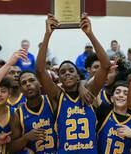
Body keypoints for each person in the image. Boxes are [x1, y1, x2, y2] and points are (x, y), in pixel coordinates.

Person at [36, 14, 111, 153]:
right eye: (63, 72)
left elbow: (106, 65)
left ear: (78, 76)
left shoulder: (90, 91)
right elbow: (40, 70)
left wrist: (90, 34)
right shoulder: (57, 96)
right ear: (59, 78)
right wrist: (47, 34)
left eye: (71, 70)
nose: (67, 73)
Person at [9, 71, 57, 153]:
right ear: (21, 89)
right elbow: (11, 148)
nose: (28, 84)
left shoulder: (52, 101)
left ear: (40, 83)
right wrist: (26, 138)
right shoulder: (18, 114)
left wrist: (81, 83)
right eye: (24, 83)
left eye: (31, 80)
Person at [95, 81, 131, 154]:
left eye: (126, 94)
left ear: (130, 100)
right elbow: (93, 90)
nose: (121, 95)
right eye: (117, 92)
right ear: (112, 99)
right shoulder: (104, 112)